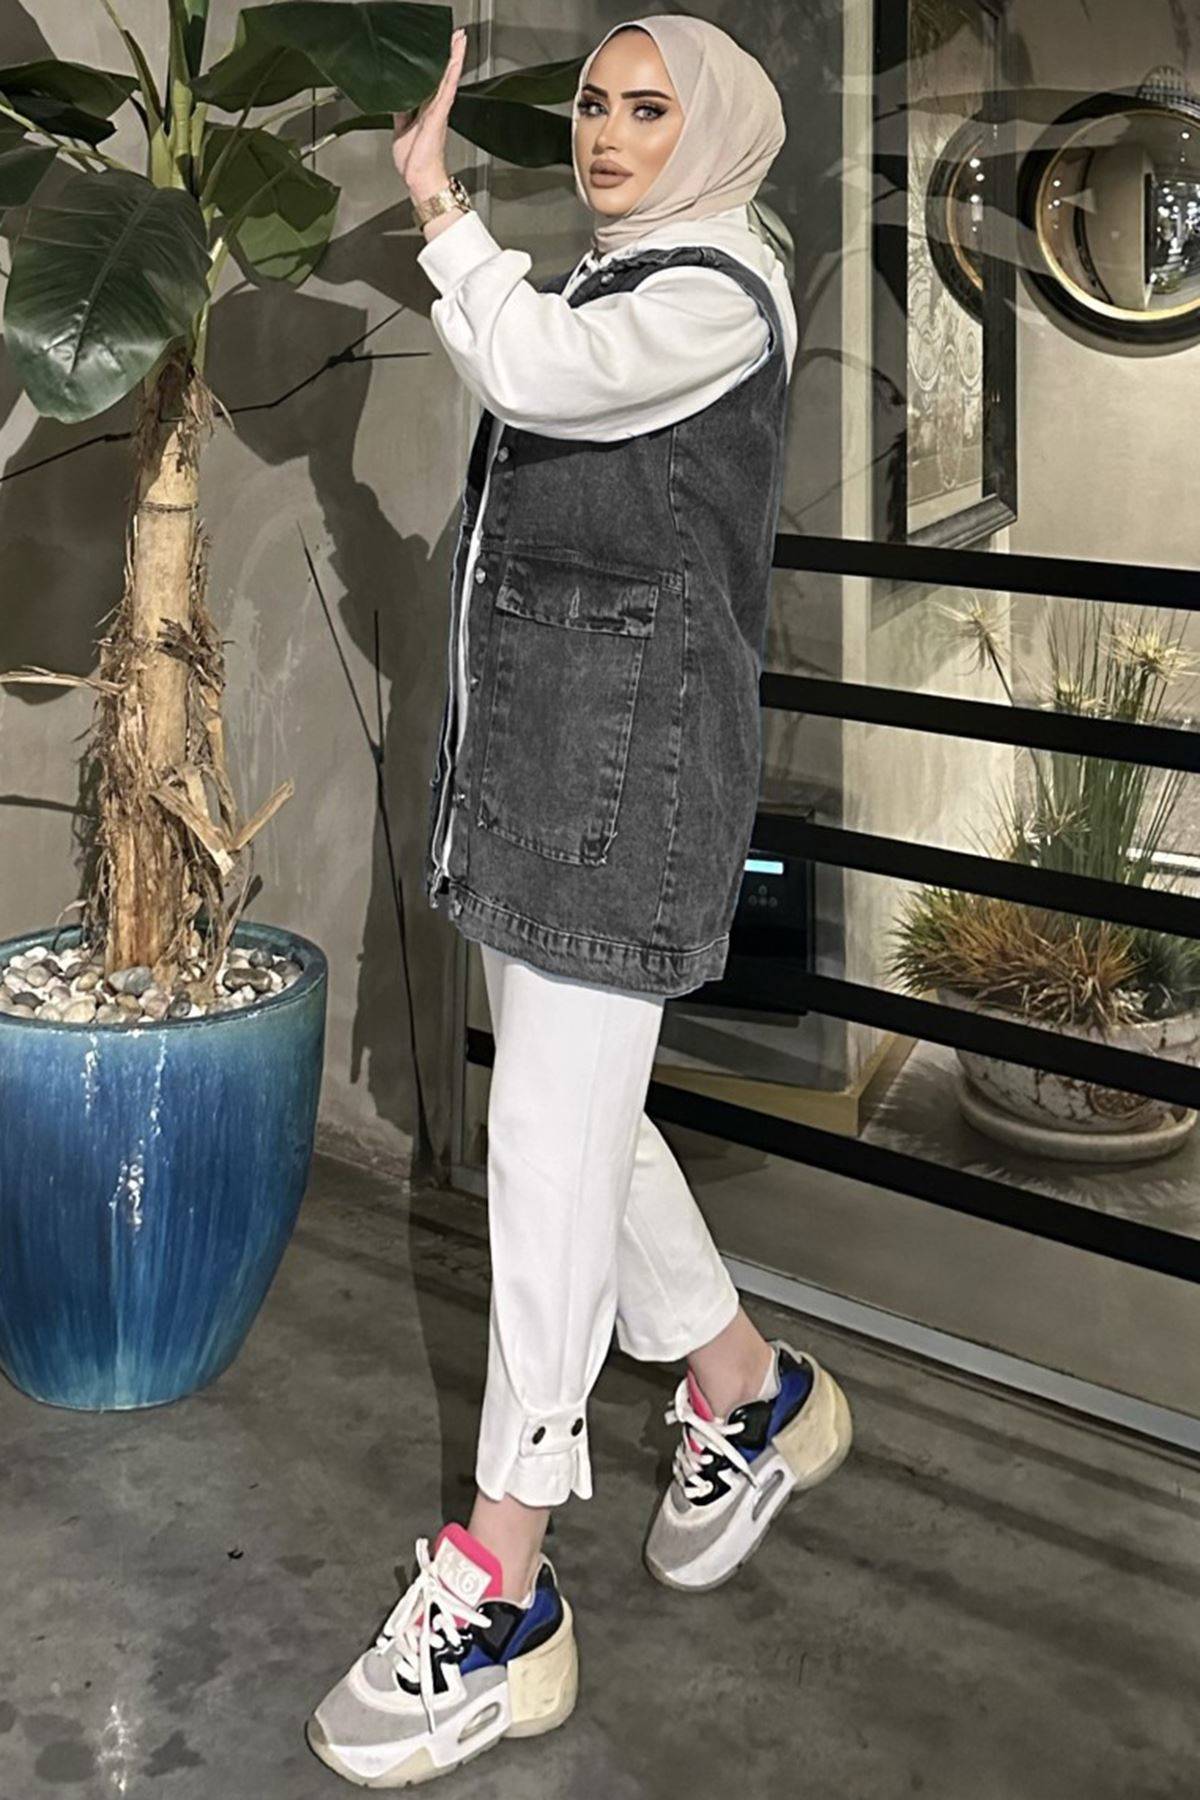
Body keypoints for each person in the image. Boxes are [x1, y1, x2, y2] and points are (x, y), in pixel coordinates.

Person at [306, 15, 853, 1787]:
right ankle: (749, 1383)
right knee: (583, 1124)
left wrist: (437, 206)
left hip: (628, 782)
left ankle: (505, 1582)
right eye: (597, 106)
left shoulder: (715, 297)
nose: (607, 135)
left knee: (547, 1142)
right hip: (548, 766)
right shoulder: (633, 272)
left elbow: (537, 374)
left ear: (722, 131)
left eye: (647, 110)